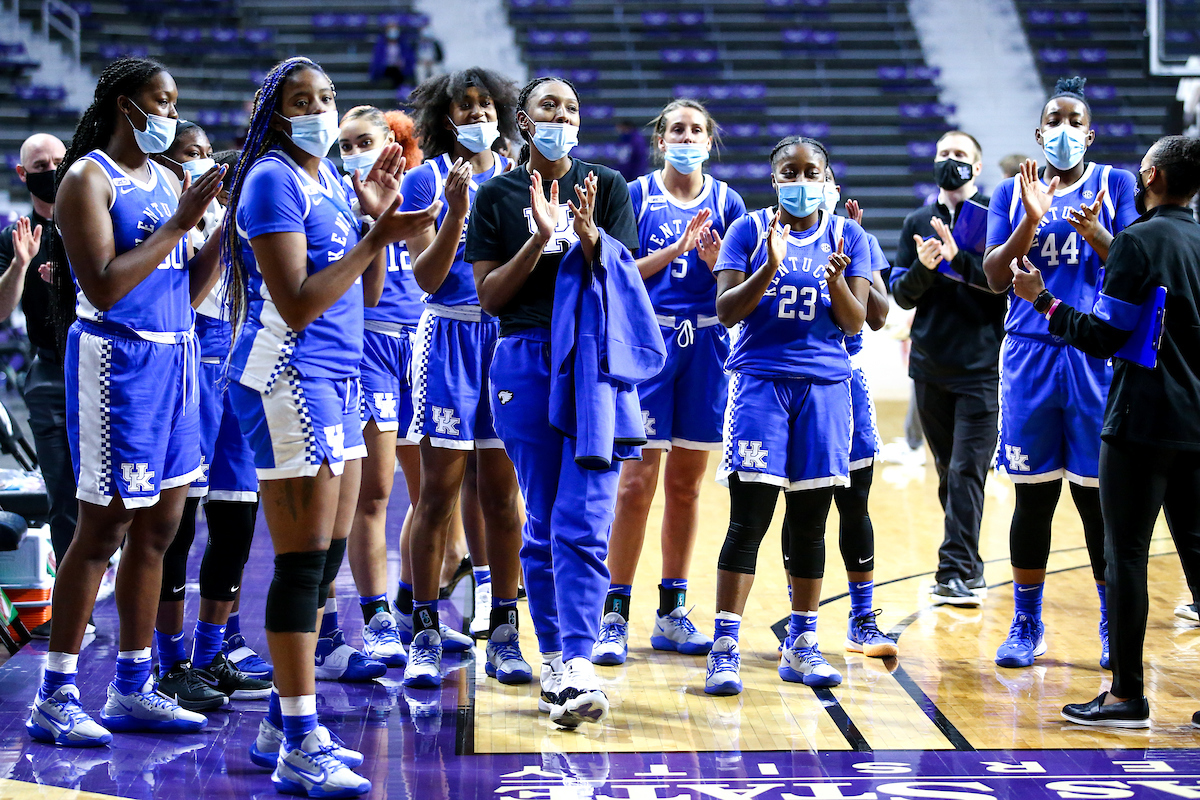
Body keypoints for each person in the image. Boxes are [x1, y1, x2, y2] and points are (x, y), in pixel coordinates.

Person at [221, 56, 438, 796]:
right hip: (287, 371)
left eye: (327, 97)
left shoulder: (332, 186)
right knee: (302, 562)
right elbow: (299, 299)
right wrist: (376, 238)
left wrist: (373, 218)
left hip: (337, 375)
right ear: (275, 113)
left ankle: (283, 724)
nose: (317, 109)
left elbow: (369, 292)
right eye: (301, 100)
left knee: (325, 555)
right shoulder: (272, 179)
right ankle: (298, 738)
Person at [27, 57, 225, 747]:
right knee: (102, 531)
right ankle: (54, 694)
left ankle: (134, 687)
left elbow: (190, 288)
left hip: (178, 356)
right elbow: (105, 286)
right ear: (123, 104)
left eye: (175, 100)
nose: (170, 112)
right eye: (159, 100)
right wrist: (179, 224)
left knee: (161, 532)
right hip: (117, 358)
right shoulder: (88, 178)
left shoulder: (171, 178)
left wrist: (221, 232)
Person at [466, 76, 643, 727]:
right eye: (549, 107)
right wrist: (539, 238)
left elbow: (620, 280)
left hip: (595, 364)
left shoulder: (608, 187)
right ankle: (562, 668)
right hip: (526, 359)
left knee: (586, 518)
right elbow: (490, 299)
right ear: (522, 119)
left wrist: (590, 233)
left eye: (571, 107)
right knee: (541, 520)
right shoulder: (496, 195)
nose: (562, 117)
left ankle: (576, 657)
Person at [1006, 136, 1200, 727]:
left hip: (1141, 422)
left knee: (1127, 557)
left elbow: (1102, 335)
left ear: (1152, 177)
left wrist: (1042, 301)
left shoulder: (1139, 241)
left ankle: (1126, 695)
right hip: (1196, 422)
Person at [706, 136, 872, 696]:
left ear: (827, 178)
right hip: (759, 385)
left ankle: (802, 643)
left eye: (811, 171)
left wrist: (834, 284)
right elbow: (726, 310)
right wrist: (768, 268)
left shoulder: (848, 236)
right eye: (789, 171)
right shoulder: (750, 231)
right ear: (773, 177)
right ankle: (724, 646)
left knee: (810, 522)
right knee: (748, 519)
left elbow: (854, 324)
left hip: (826, 388)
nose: (800, 180)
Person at [983, 77, 1139, 669]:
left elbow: (1132, 262)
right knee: (1033, 498)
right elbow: (997, 276)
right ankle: (1027, 624)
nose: (1065, 131)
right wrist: (1030, 219)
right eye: (1056, 121)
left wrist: (1093, 231)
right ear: (1040, 132)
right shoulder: (1009, 191)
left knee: (1098, 500)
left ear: (1090, 134)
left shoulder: (1117, 184)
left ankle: (1109, 622)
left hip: (1094, 351)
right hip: (1029, 352)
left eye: (1076, 122)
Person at [592, 98, 744, 667]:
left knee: (686, 486)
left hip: (706, 347)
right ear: (660, 140)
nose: (686, 137)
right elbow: (613, 271)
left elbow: (735, 285)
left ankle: (672, 611)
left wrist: (709, 263)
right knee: (635, 485)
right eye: (676, 129)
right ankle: (614, 612)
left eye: (696, 129)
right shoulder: (634, 195)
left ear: (709, 140)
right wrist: (674, 252)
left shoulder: (727, 201)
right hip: (649, 345)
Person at [400, 68, 528, 688]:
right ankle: (425, 627)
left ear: (502, 111)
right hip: (448, 333)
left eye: (485, 105)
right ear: (444, 117)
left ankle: (503, 627)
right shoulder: (426, 178)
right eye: (464, 106)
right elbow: (425, 277)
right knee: (440, 492)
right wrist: (452, 212)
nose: (477, 115)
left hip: (504, 336)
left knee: (503, 495)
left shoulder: (522, 177)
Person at [150, 125, 272, 710]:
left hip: (240, 376)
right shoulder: (166, 228)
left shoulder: (245, 226)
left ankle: (211, 649)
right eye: (188, 155)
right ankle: (169, 660)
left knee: (236, 522)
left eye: (205, 154)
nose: (200, 163)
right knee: (178, 523)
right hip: (188, 371)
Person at [890, 130, 1004, 606]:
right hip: (930, 368)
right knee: (947, 471)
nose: (950, 160)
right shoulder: (918, 219)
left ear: (977, 168)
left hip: (980, 369)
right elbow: (900, 293)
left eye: (960, 155)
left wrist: (962, 262)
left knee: (965, 471)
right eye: (943, 153)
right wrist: (923, 268)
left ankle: (954, 571)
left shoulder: (998, 219)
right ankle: (969, 565)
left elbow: (1005, 287)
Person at [795, 168, 897, 659]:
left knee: (855, 501)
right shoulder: (777, 234)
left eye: (824, 178)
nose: (816, 186)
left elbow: (878, 317)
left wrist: (862, 259)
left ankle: (862, 618)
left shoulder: (857, 238)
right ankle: (800, 624)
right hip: (795, 381)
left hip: (848, 380)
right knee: (801, 505)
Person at [338, 105, 422, 672]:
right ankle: (376, 619)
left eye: (364, 141)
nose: (354, 153)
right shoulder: (336, 201)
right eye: (344, 146)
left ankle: (418, 606)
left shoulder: (423, 193)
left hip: (423, 343)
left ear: (395, 143)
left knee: (433, 493)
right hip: (369, 345)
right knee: (375, 493)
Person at [0, 133, 71, 642]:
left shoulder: (95, 215)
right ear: (23, 175)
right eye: (40, 165)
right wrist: (21, 265)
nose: (51, 169)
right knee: (63, 494)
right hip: (50, 371)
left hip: (108, 366)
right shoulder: (14, 235)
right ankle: (73, 611)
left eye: (59, 161)